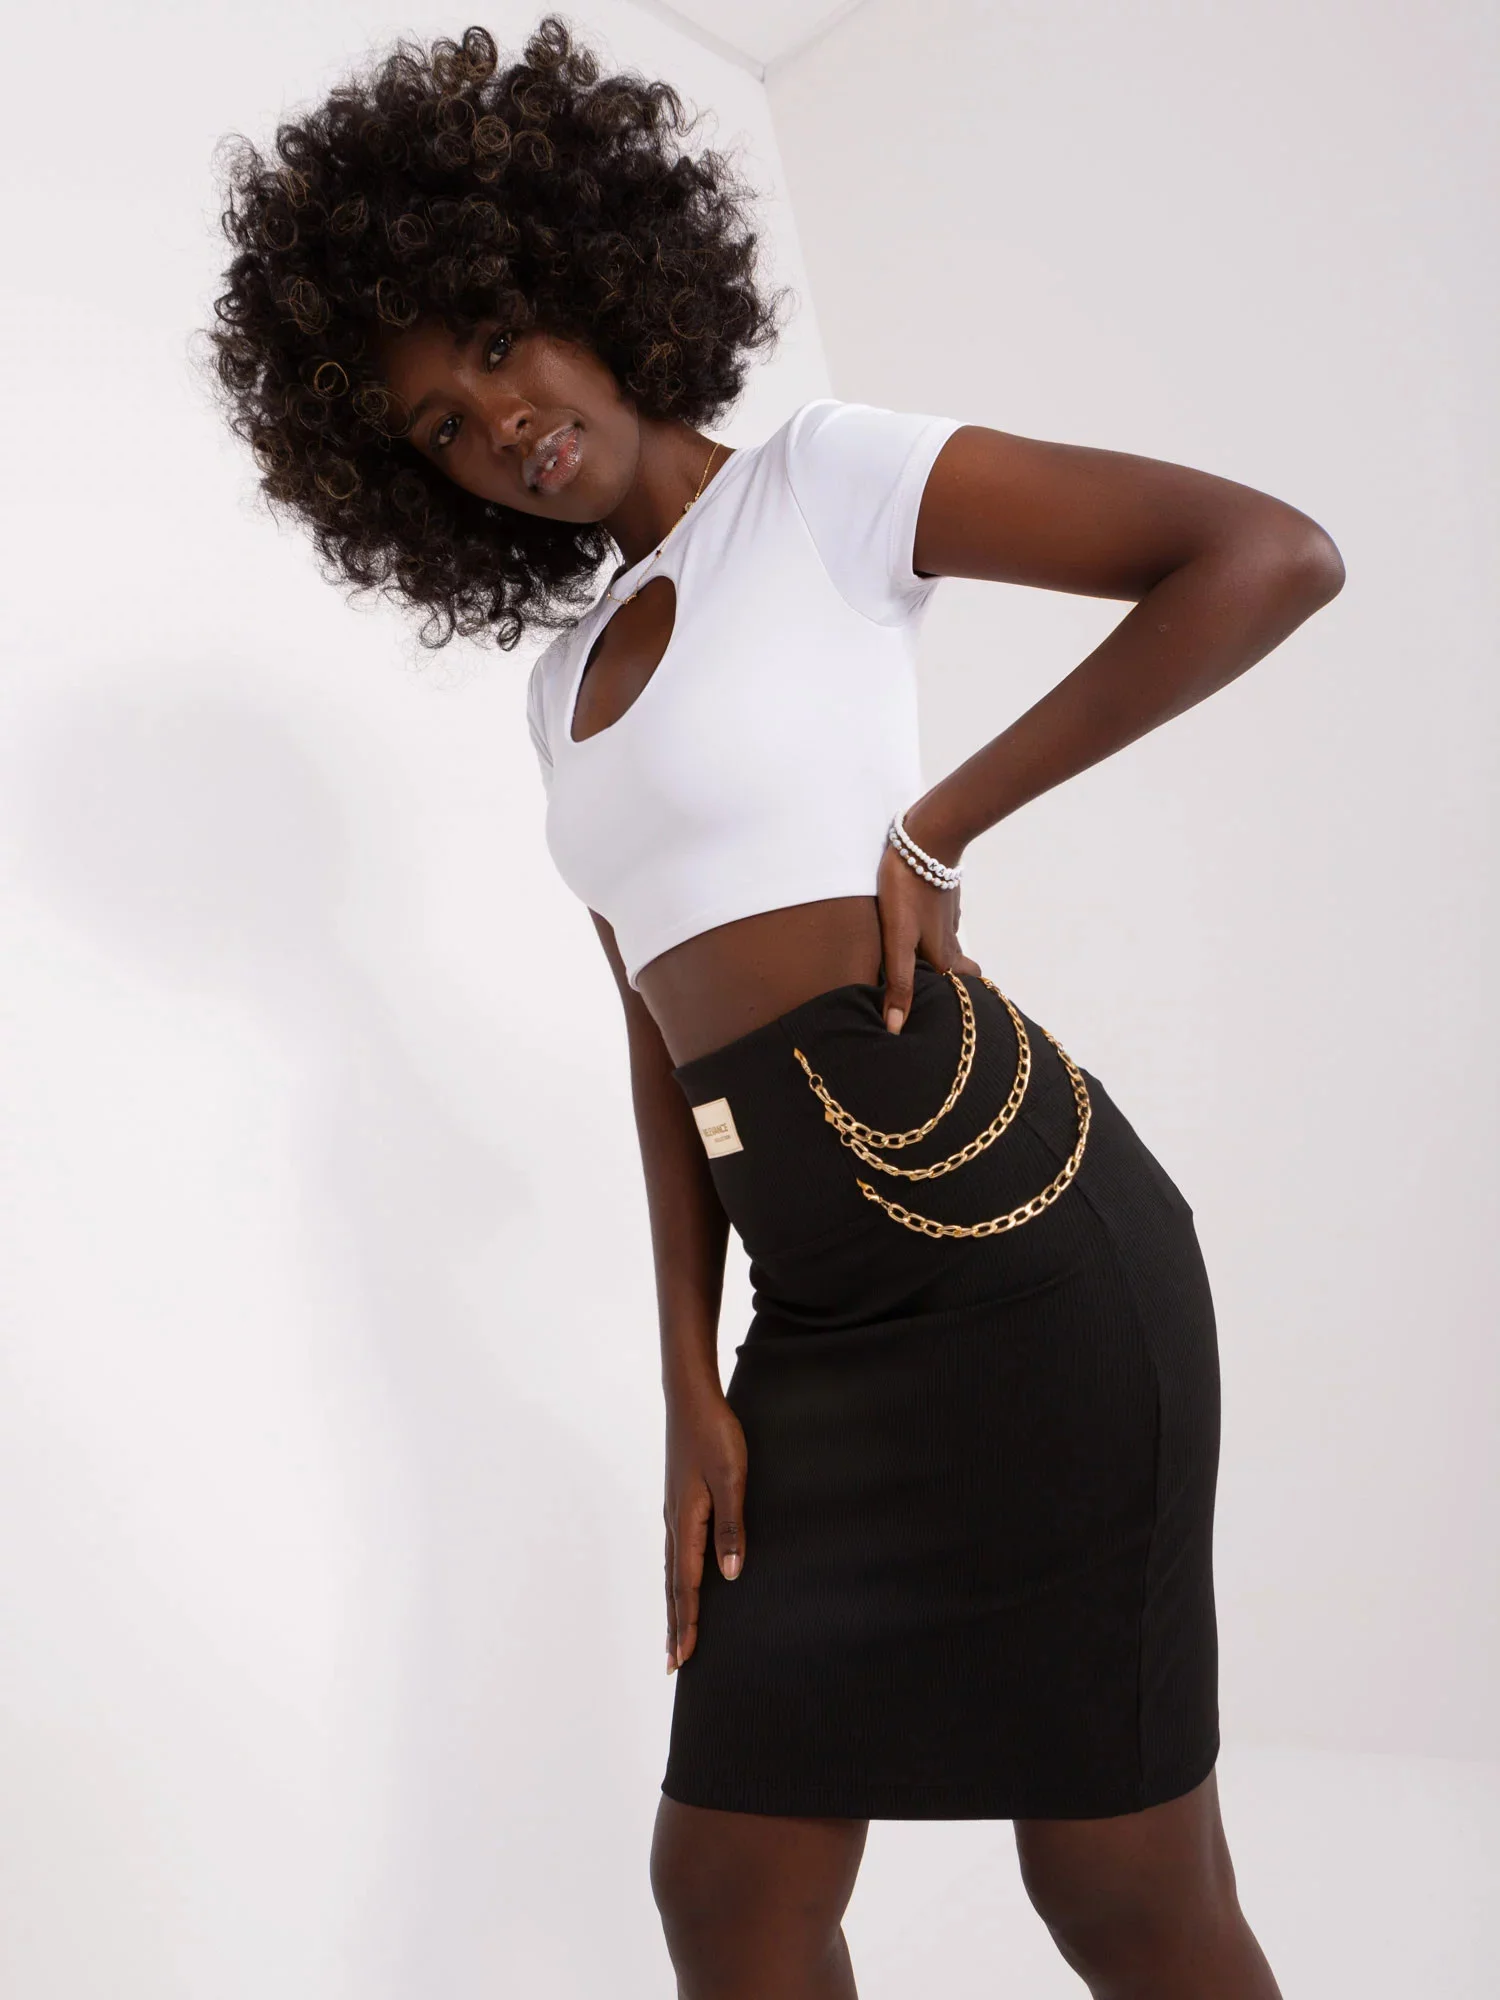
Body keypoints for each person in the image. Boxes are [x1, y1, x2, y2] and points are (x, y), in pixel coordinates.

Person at [207, 18, 1343, 1997]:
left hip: (1027, 1257)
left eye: (500, 343)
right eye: (440, 426)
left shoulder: (825, 483)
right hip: (813, 1325)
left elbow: (1262, 555)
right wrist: (690, 1370)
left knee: (1117, 1893)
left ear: (590, 278)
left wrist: (938, 821)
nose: (498, 422)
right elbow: (658, 1037)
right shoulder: (556, 692)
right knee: (727, 1891)